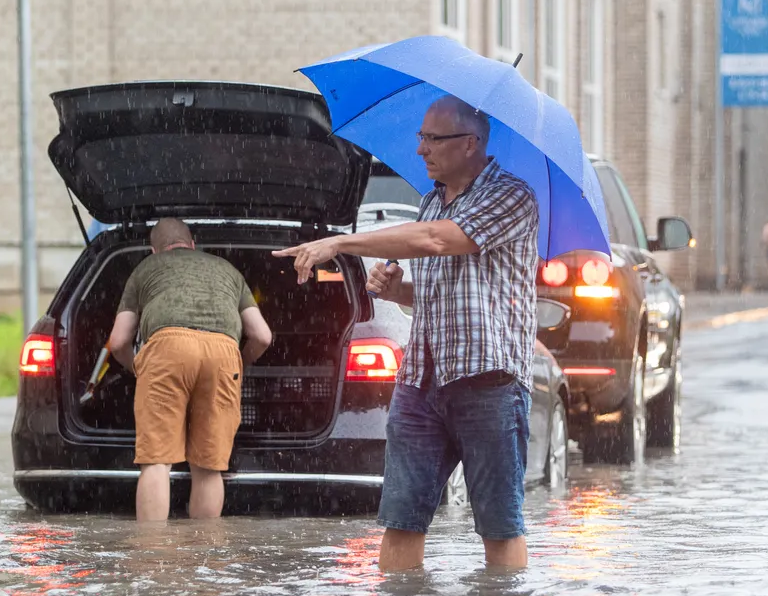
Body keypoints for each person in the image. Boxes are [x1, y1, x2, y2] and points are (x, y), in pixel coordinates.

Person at [275, 95, 539, 571]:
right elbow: (451, 293)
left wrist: (340, 241)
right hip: (420, 383)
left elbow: (438, 240)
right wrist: (400, 291)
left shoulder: (511, 195)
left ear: (470, 144)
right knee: (400, 521)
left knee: (499, 526)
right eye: (421, 137)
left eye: (433, 139)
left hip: (489, 383)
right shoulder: (431, 200)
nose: (421, 150)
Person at [107, 219, 273, 522]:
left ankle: (152, 554)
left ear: (154, 249)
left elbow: (118, 341)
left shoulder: (146, 268)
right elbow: (262, 336)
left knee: (157, 462)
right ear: (192, 244)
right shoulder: (228, 270)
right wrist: (238, 364)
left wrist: (137, 367)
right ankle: (206, 556)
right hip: (224, 352)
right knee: (209, 466)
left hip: (166, 349)